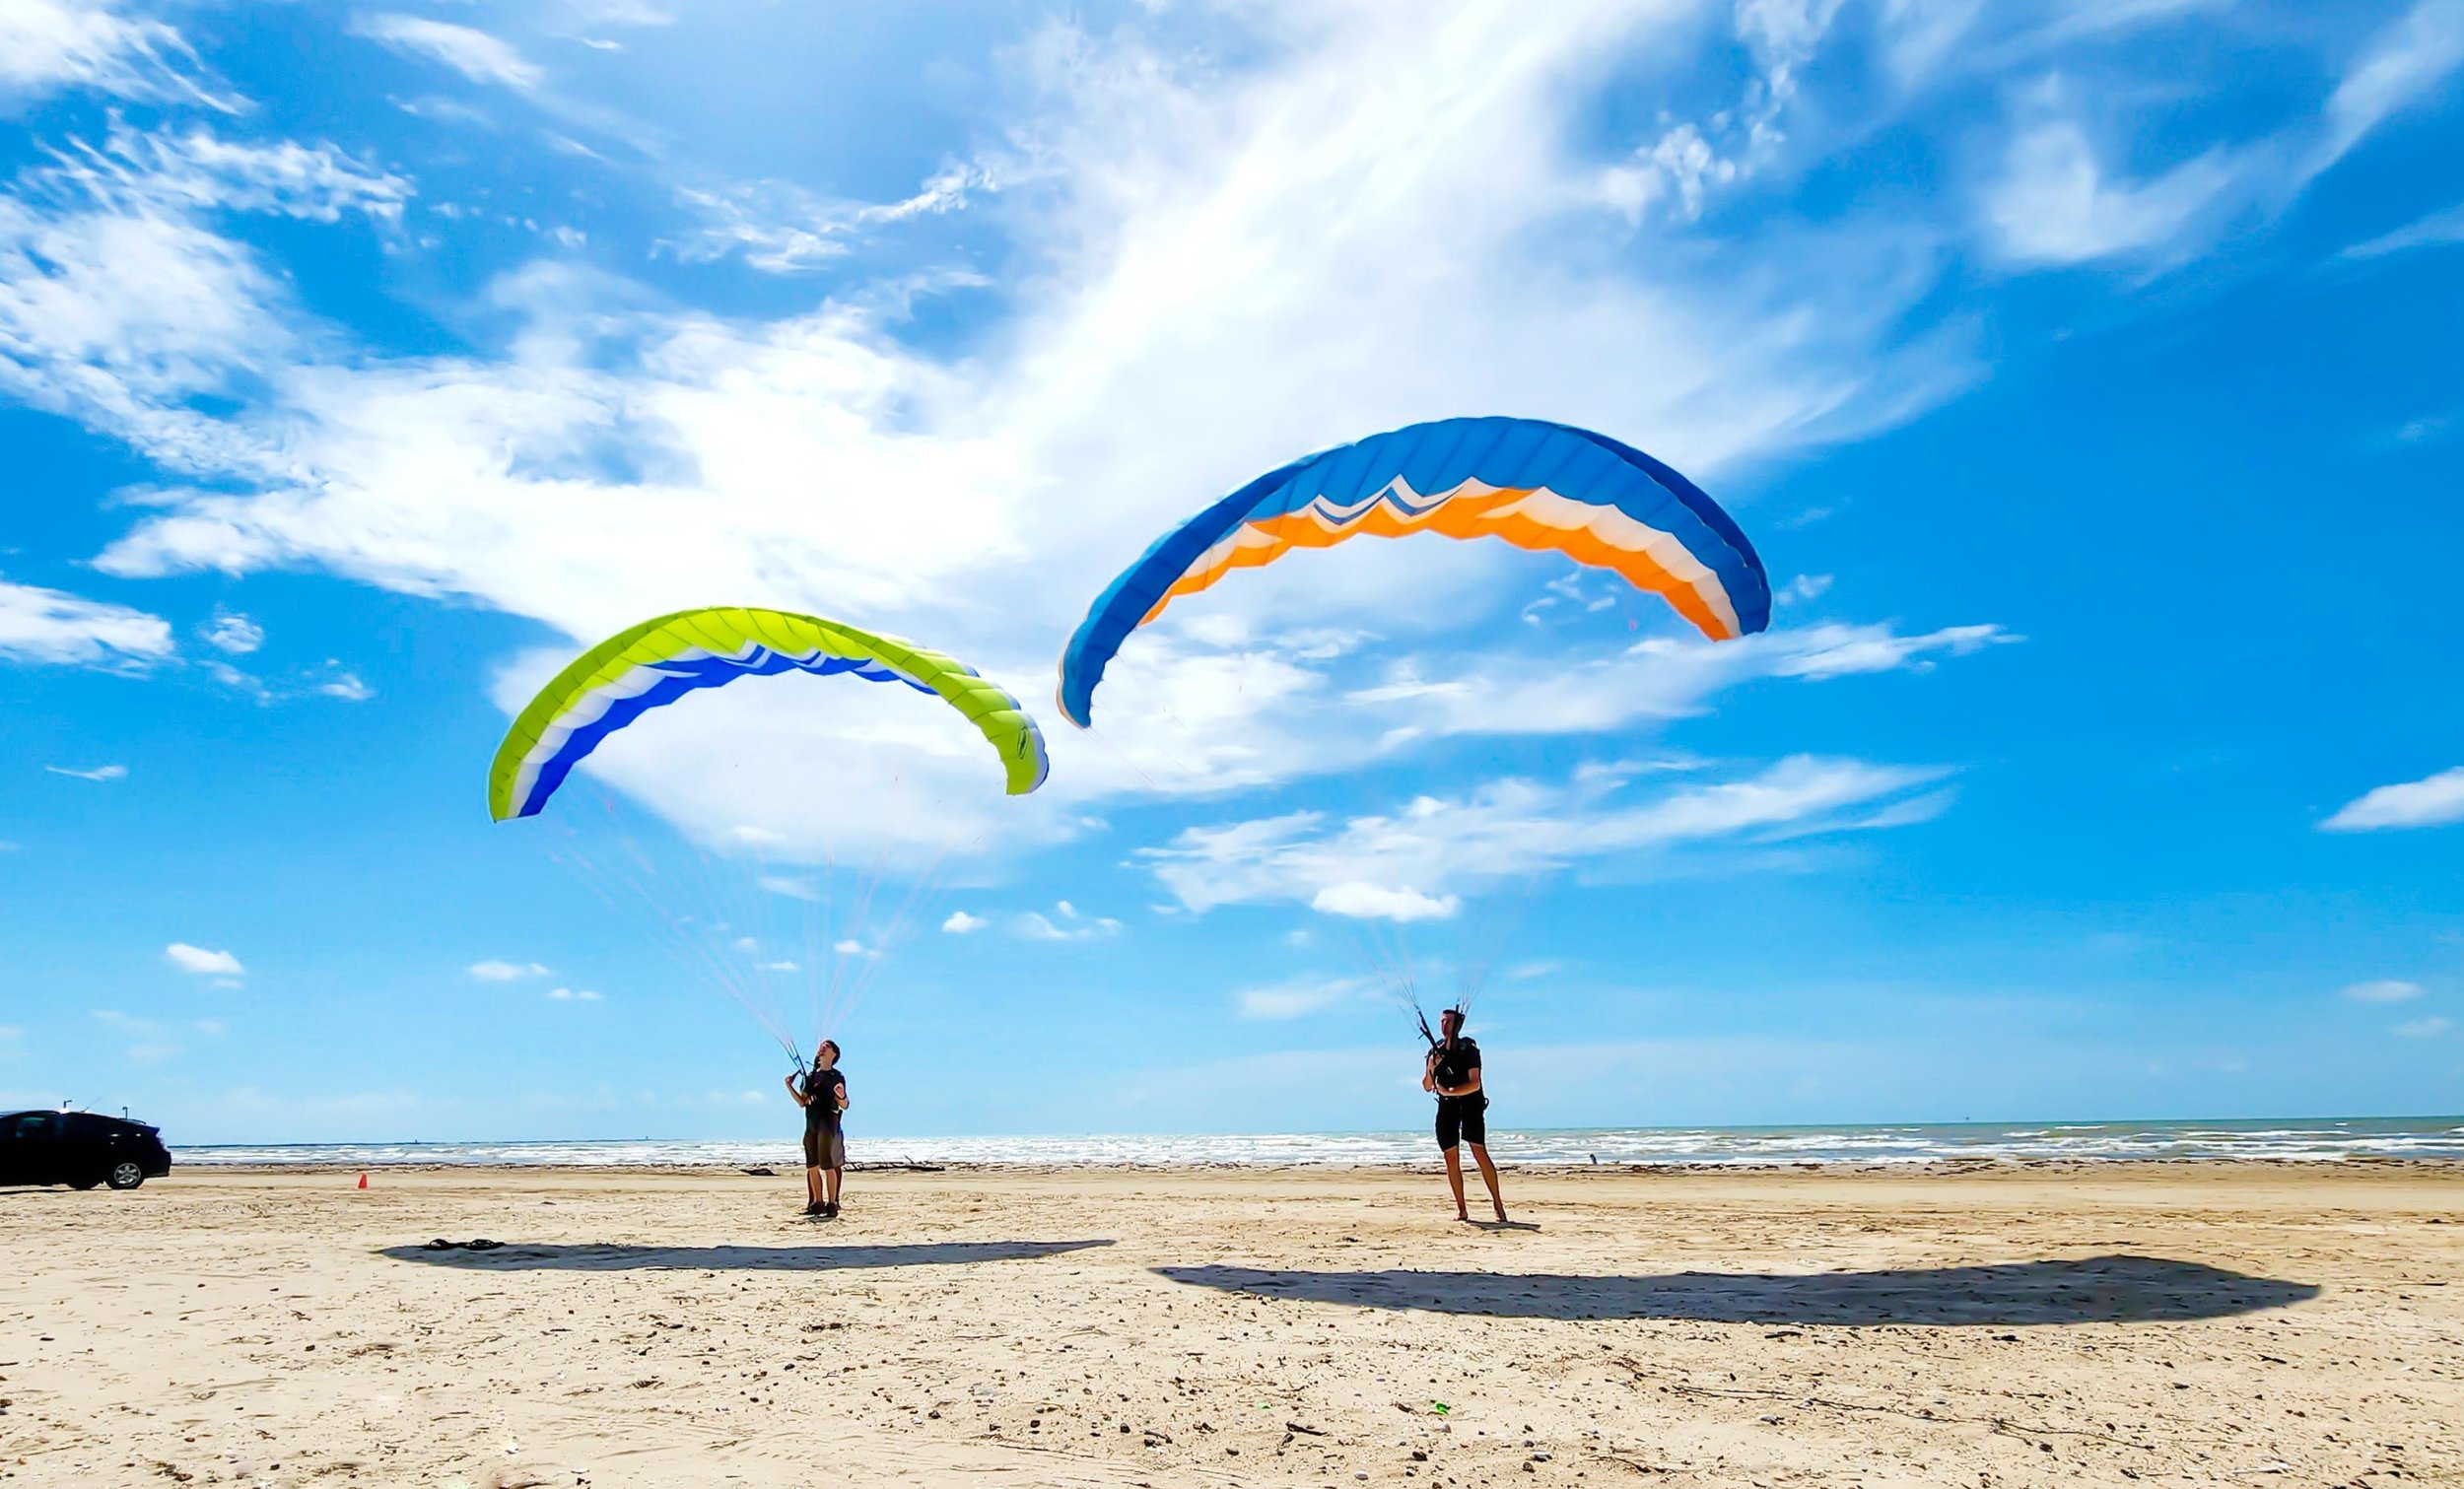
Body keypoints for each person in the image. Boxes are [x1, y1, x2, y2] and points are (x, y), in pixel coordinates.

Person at [1422, 1008, 1505, 1223]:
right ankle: (1462, 1209)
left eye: (1448, 1021)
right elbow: (1427, 1085)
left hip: (1470, 1104)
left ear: (1457, 1024)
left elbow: (1474, 1082)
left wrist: (1451, 1091)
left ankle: (1497, 1203)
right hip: (1447, 1106)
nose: (1444, 1025)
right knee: (1450, 1157)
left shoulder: (1468, 1049)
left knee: (1479, 1150)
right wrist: (1432, 1067)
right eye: (1441, 1021)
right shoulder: (1434, 1052)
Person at [783, 1041, 849, 1218]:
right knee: (812, 1166)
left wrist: (840, 1095)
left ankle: (832, 1203)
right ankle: (817, 1202)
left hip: (828, 1124)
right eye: (821, 1045)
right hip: (811, 1123)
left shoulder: (837, 1076)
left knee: (828, 1165)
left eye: (827, 1046)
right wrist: (789, 1086)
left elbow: (845, 1104)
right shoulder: (811, 1077)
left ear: (834, 1053)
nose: (822, 1047)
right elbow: (802, 1102)